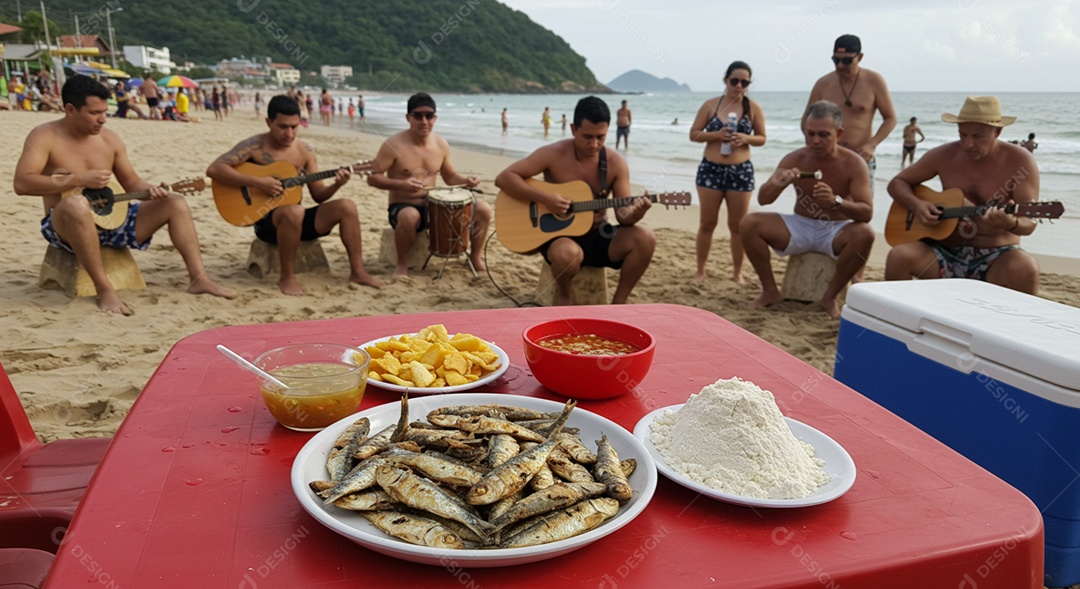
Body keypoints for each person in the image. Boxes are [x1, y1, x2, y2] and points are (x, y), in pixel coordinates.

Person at [13, 76, 234, 315]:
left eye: (105, 112)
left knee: (175, 202)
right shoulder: (44, 136)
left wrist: (153, 191)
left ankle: (198, 279)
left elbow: (131, 182)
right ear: (70, 109)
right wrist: (78, 179)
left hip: (113, 222)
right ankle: (105, 289)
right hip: (65, 226)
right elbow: (22, 183)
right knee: (76, 204)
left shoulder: (110, 139)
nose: (102, 119)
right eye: (94, 113)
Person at [206, 95, 382, 295]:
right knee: (294, 212)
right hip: (268, 223)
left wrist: (337, 184)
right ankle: (287, 277)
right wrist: (258, 182)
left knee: (346, 206)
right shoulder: (254, 146)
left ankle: (358, 271)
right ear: (268, 122)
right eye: (283, 127)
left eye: (294, 127)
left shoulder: (305, 150)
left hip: (297, 218)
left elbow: (318, 195)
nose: (289, 133)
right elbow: (215, 169)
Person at [495, 96, 655, 305]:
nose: (594, 144)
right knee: (567, 253)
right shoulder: (554, 154)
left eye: (601, 137)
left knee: (645, 238)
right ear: (572, 129)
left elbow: (622, 217)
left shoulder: (615, 163)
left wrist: (637, 212)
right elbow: (505, 178)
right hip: (557, 235)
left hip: (598, 234)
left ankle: (619, 303)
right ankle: (564, 293)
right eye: (587, 136)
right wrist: (546, 199)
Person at [884, 96, 1040, 295]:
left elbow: (1030, 221)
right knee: (899, 256)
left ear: (997, 131)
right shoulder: (944, 155)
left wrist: (1010, 223)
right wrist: (917, 205)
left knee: (1026, 268)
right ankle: (900, 323)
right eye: (963, 134)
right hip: (943, 251)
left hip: (995, 256)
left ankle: (1015, 326)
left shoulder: (1019, 161)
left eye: (978, 136)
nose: (968, 144)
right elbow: (897, 183)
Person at [740, 100, 874, 318]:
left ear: (839, 134)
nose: (815, 140)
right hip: (800, 225)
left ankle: (829, 297)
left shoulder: (854, 163)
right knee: (749, 223)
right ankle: (770, 291)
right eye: (810, 134)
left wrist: (836, 201)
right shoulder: (796, 158)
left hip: (836, 229)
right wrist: (779, 182)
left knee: (865, 234)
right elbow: (764, 199)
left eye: (823, 135)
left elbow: (866, 212)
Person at [367, 93, 493, 277]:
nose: (424, 121)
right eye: (418, 115)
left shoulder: (441, 144)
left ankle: (475, 256)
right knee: (410, 216)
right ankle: (402, 263)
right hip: (403, 206)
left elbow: (449, 176)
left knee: (484, 209)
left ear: (435, 118)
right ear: (408, 118)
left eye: (429, 116)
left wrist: (467, 181)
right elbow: (372, 178)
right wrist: (401, 184)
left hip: (435, 208)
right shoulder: (393, 144)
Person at [690, 60, 767, 285]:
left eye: (745, 82)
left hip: (740, 171)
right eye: (735, 80)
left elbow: (762, 138)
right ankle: (700, 271)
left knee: (738, 226)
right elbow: (694, 134)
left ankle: (737, 272)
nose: (739, 85)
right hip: (710, 170)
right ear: (726, 81)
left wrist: (746, 138)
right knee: (707, 223)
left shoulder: (753, 109)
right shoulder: (711, 105)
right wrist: (716, 135)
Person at [806, 34, 896, 193]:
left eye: (847, 60)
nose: (840, 65)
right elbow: (807, 119)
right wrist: (814, 145)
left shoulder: (874, 81)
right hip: (827, 157)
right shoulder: (823, 83)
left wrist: (872, 145)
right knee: (824, 205)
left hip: (860, 157)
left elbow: (890, 118)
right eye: (836, 60)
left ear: (860, 57)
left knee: (859, 209)